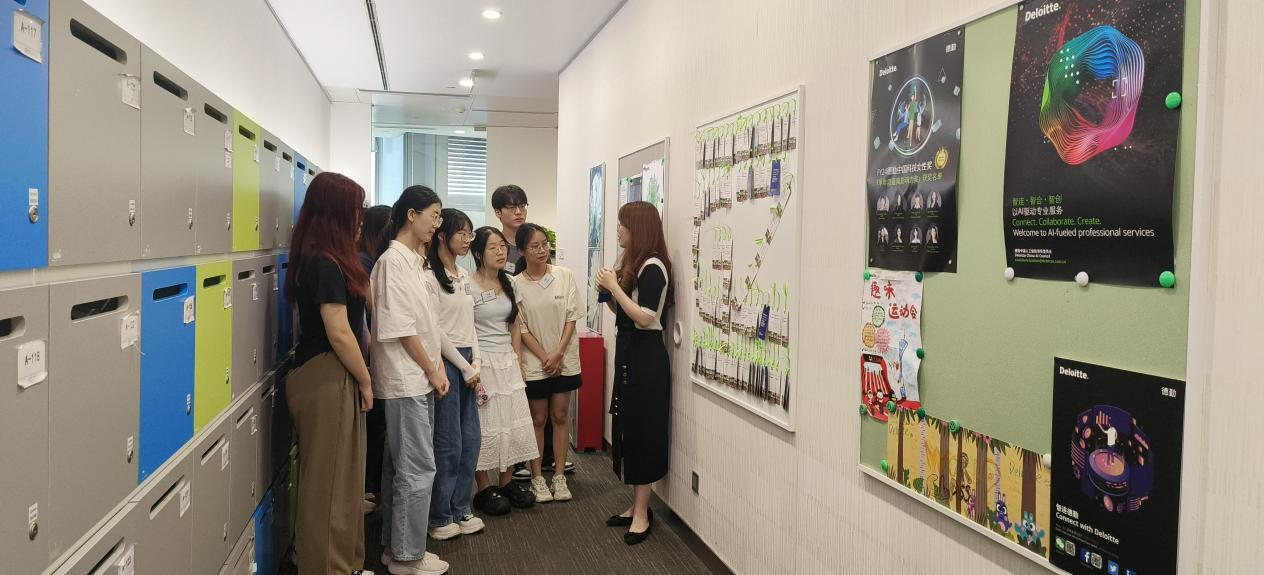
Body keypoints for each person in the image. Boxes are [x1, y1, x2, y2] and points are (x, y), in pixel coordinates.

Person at [371, 186, 473, 575]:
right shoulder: (392, 263)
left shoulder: (414, 262)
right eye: (434, 215)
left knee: (403, 468)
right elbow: (401, 328)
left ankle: (396, 549)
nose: (437, 223)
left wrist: (435, 369)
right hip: (407, 380)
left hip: (417, 378)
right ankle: (407, 555)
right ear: (411, 215)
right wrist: (432, 369)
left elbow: (427, 325)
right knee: (417, 468)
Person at [285, 172, 373, 575]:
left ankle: (345, 564)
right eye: (355, 209)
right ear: (336, 213)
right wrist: (366, 380)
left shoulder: (331, 259)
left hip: (335, 374)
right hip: (326, 374)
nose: (360, 218)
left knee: (343, 481)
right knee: (328, 485)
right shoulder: (323, 262)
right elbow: (338, 332)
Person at [595, 201, 673, 546]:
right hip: (630, 352)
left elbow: (645, 317)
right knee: (629, 428)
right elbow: (624, 313)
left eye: (622, 225)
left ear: (637, 228)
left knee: (644, 433)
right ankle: (636, 505)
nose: (618, 230)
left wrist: (614, 288)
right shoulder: (633, 261)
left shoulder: (654, 266)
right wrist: (608, 292)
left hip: (647, 359)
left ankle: (643, 512)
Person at [468, 226, 540, 514]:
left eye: (502, 246)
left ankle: (507, 480)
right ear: (478, 253)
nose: (500, 252)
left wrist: (518, 361)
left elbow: (515, 325)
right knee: (485, 425)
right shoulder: (468, 285)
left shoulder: (510, 281)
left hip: (507, 361)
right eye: (492, 247)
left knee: (510, 421)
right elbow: (465, 328)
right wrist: (473, 366)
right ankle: (484, 487)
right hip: (482, 361)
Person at [425, 208, 487, 540]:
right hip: (446, 362)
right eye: (461, 233)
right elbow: (435, 329)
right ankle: (440, 515)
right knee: (448, 442)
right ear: (442, 236)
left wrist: (476, 361)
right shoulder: (428, 276)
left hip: (468, 361)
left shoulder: (462, 274)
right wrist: (462, 367)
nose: (467, 240)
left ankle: (462, 507)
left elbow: (470, 322)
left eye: (469, 234)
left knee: (470, 439)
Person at [515, 223, 582, 502]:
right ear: (522, 251)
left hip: (564, 358)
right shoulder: (516, 284)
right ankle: (537, 479)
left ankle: (559, 476)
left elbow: (571, 316)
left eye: (545, 243)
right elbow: (520, 327)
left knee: (560, 415)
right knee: (538, 418)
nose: (542, 250)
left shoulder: (564, 275)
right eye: (535, 246)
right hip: (535, 361)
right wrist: (545, 356)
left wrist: (558, 353)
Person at [358, 205, 392, 516]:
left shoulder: (373, 260)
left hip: (372, 355)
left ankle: (371, 487)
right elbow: (371, 314)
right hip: (368, 356)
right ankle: (369, 487)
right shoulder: (367, 263)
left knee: (378, 427)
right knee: (375, 427)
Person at [491, 185, 529, 274]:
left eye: (522, 206)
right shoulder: (492, 246)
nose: (518, 212)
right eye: (511, 207)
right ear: (498, 213)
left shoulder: (535, 242)